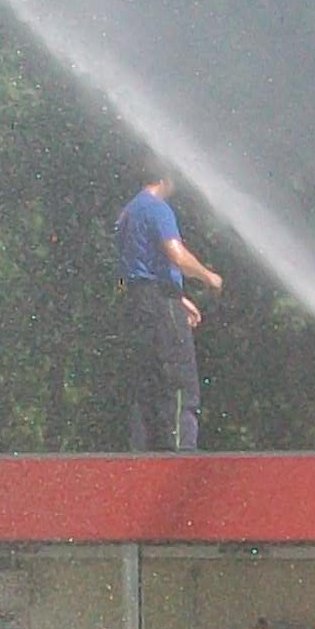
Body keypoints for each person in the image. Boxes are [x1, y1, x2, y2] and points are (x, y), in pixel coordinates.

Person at [115, 167, 224, 452]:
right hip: (160, 304)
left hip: (138, 303)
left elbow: (138, 268)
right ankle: (181, 455)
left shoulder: (128, 212)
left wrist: (179, 298)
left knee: (146, 384)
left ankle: (142, 456)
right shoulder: (157, 208)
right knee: (178, 381)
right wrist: (208, 276)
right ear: (165, 179)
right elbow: (176, 255)